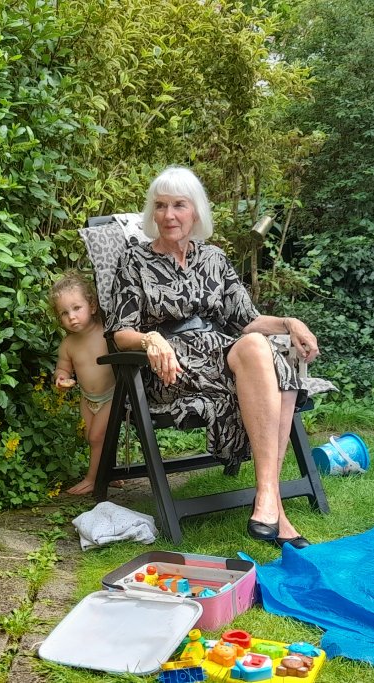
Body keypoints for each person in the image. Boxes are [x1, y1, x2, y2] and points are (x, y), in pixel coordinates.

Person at [105, 166, 320, 548]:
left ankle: (266, 499)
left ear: (195, 211)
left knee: (257, 347)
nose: (169, 215)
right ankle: (276, 509)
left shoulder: (214, 258)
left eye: (179, 205)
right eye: (160, 206)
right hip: (170, 366)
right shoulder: (134, 261)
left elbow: (248, 321)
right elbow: (121, 333)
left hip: (219, 352)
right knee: (279, 378)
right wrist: (151, 338)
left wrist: (290, 323)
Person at [49, 271, 120, 495]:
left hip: (112, 395)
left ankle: (92, 479)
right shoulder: (68, 344)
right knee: (94, 438)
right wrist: (61, 378)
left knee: (97, 437)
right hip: (88, 399)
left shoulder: (106, 333)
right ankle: (109, 472)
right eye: (64, 313)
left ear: (92, 306)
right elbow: (63, 367)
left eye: (77, 308)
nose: (72, 317)